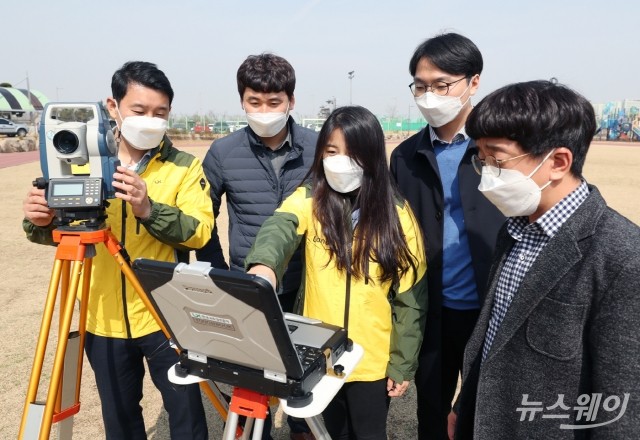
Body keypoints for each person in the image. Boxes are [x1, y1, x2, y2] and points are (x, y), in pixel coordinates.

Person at [22, 61, 213, 439]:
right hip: (102, 319)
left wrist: (148, 208)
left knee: (187, 414)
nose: (150, 121)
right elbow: (57, 231)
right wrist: (40, 221)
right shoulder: (76, 162)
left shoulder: (185, 167)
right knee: (120, 417)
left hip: (166, 317)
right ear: (113, 106)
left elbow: (199, 233)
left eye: (160, 113)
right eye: (139, 110)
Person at [449, 80, 640, 439]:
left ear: (558, 162)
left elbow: (621, 408)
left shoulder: (621, 257)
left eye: (497, 159)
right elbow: (492, 334)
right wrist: (465, 406)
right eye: (482, 160)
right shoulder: (513, 229)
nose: (486, 175)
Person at [244, 105, 428, 440]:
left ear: (372, 157)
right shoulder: (310, 198)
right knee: (334, 433)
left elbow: (410, 299)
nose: (340, 161)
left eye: (352, 153)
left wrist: (402, 363)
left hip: (371, 359)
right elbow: (280, 227)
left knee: (369, 433)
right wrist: (264, 266)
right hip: (321, 353)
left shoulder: (398, 214)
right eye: (331, 151)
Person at [389, 33, 505, 439]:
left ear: (474, 82)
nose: (430, 96)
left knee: (486, 410)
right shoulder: (404, 157)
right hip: (431, 311)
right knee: (433, 412)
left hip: (490, 310)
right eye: (421, 87)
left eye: (442, 85)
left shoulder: (500, 150)